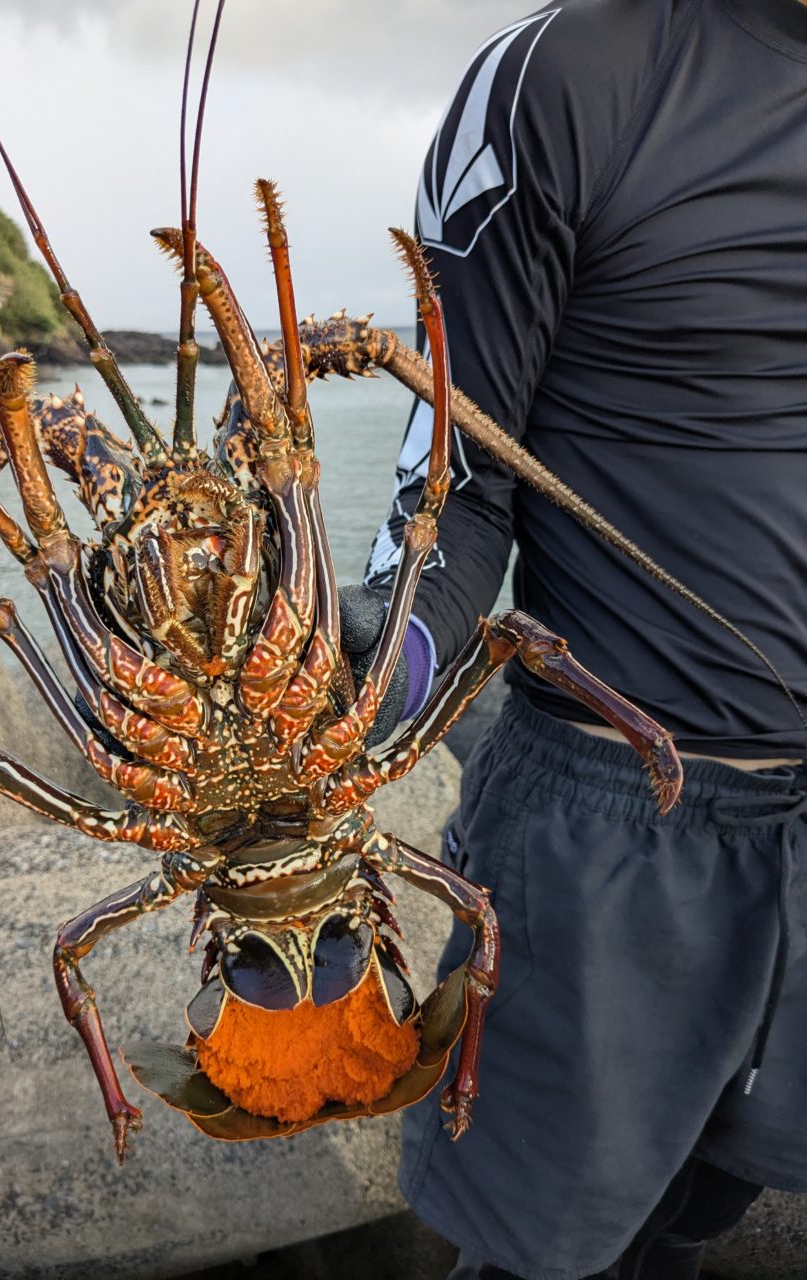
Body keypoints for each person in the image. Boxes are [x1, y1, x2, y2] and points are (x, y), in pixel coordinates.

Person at [347, 0, 807, 1276]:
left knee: (712, 1201)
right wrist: (389, 661)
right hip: (614, 827)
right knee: (544, 1258)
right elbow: (453, 483)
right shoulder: (569, 76)